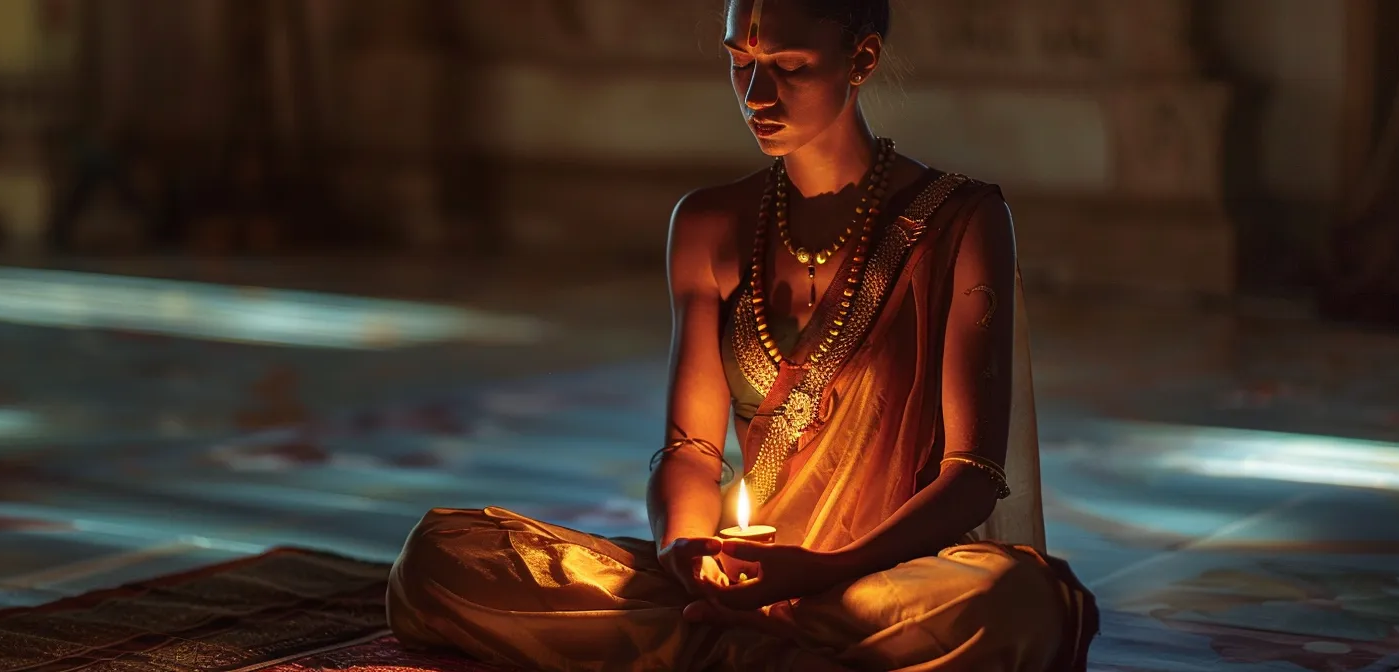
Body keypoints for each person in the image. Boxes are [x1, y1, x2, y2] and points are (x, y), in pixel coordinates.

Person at [385, 0, 1099, 669]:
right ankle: (762, 639)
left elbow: (972, 478)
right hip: (743, 571)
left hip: (881, 580)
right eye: (740, 62)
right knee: (438, 557)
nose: (757, 93)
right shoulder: (707, 225)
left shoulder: (961, 221)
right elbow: (690, 450)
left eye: (789, 67)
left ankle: (739, 642)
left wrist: (825, 571)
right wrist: (686, 550)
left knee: (1014, 603)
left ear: (863, 57)